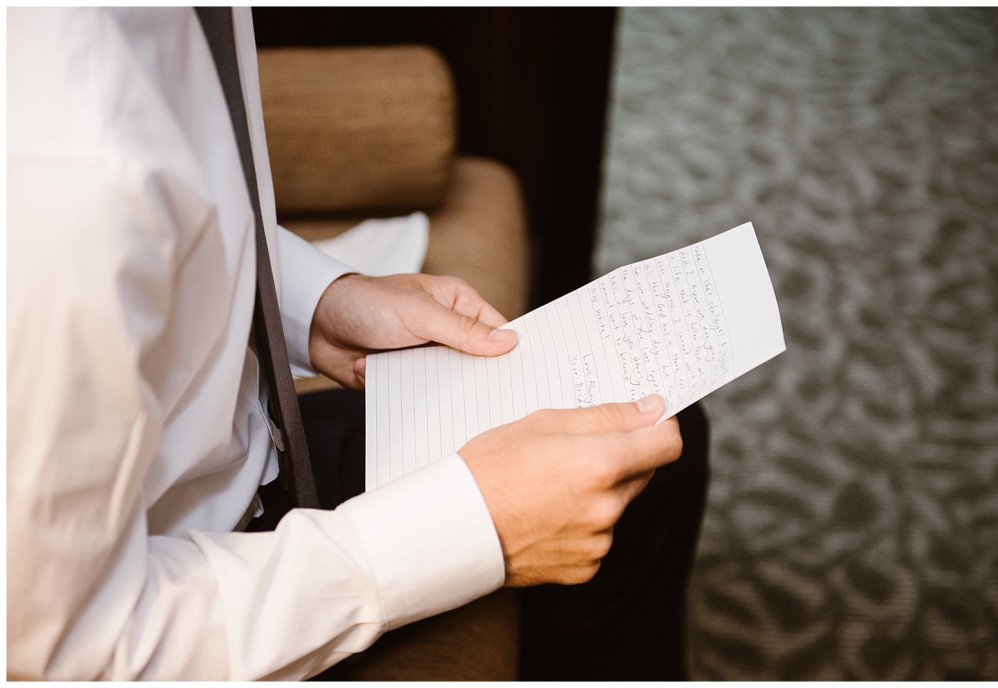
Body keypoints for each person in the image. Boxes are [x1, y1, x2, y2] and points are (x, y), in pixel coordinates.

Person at [8, 7, 701, 681]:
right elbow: (73, 655)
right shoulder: (69, 159)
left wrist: (319, 303)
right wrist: (475, 526)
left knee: (653, 431)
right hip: (199, 598)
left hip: (250, 462)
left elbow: (158, 228)